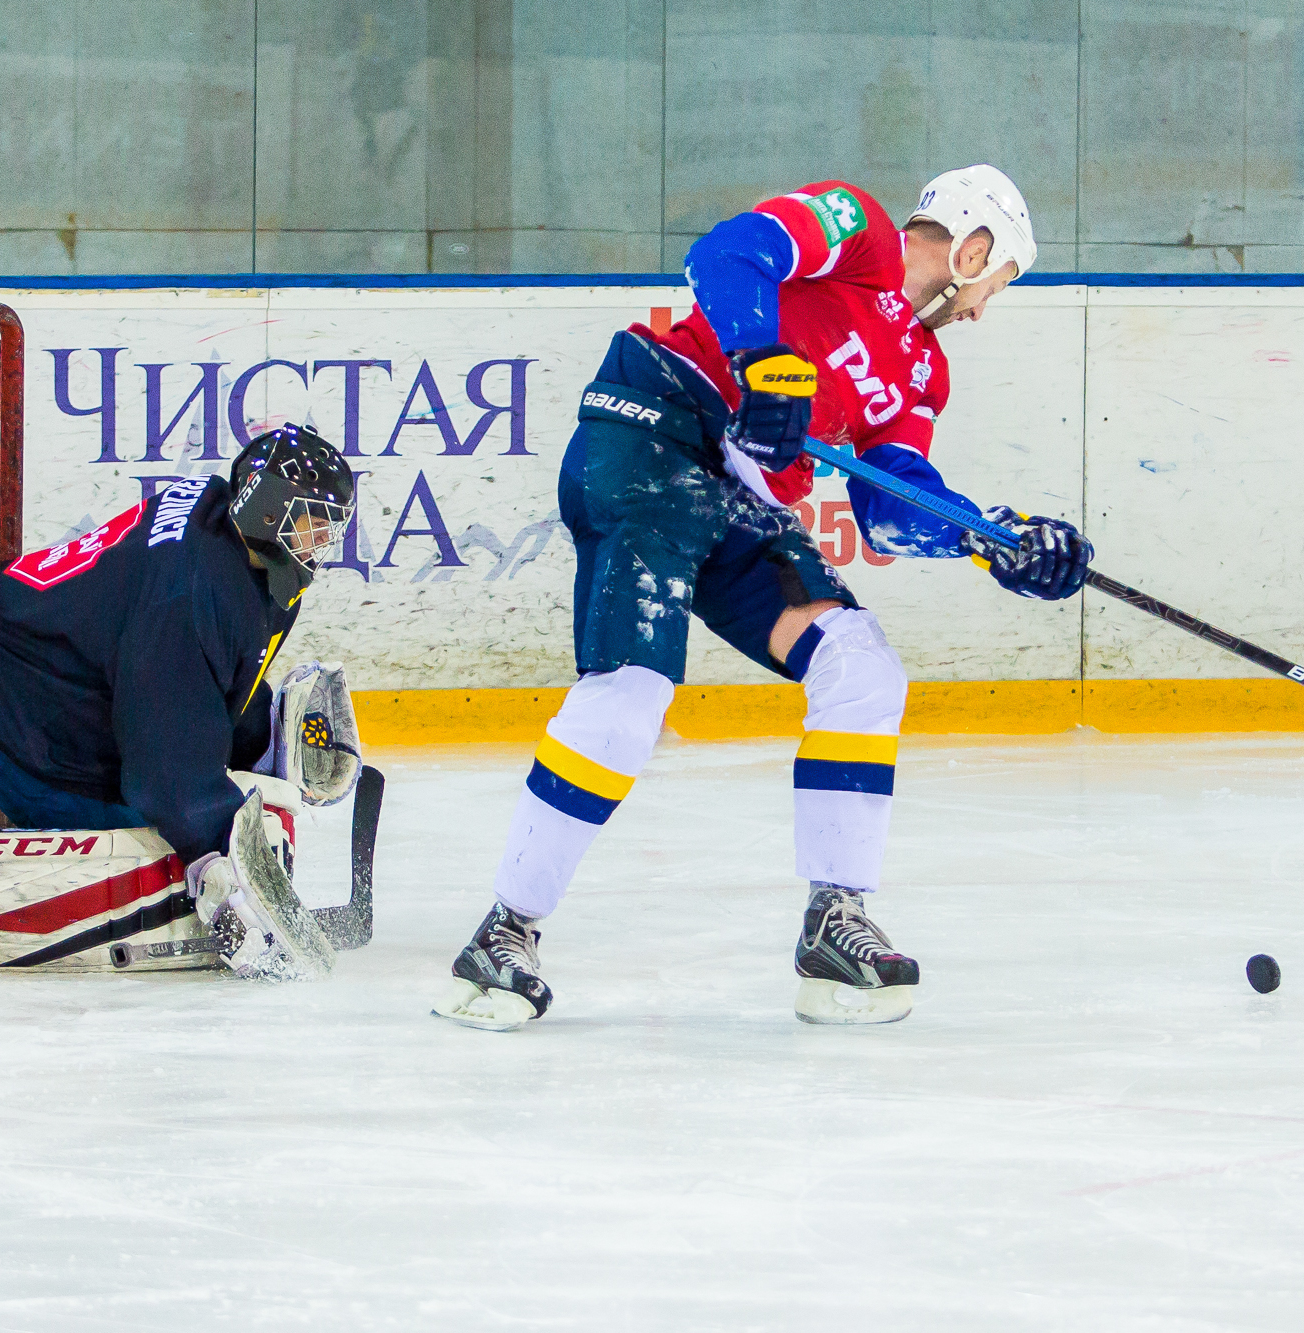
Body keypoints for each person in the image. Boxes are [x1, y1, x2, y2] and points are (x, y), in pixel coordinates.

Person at [433, 165, 1094, 1031]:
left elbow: (893, 507)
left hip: (738, 496)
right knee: (630, 696)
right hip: (650, 432)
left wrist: (990, 537)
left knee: (862, 668)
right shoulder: (853, 229)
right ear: (973, 250)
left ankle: (835, 921)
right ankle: (503, 931)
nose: (979, 313)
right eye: (994, 286)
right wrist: (762, 359)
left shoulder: (922, 370)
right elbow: (726, 254)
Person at [0, 423, 363, 977]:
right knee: (175, 831)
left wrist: (261, 736)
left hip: (65, 684)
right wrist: (216, 855)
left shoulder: (229, 539)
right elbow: (162, 766)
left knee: (203, 780)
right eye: (312, 523)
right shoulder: (189, 596)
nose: (322, 540)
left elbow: (199, 671)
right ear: (268, 510)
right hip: (31, 746)